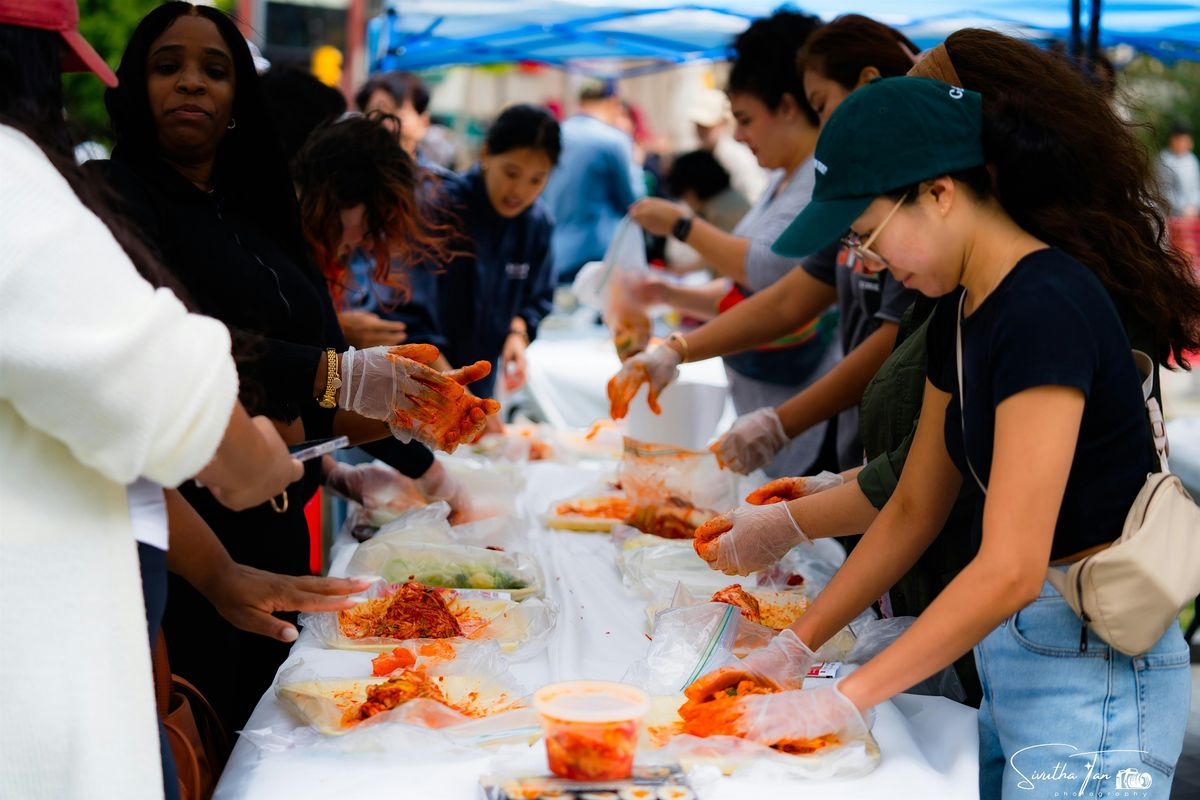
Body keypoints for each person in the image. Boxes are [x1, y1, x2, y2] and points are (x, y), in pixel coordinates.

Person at [689, 75, 1199, 799]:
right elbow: (912, 509)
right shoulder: (960, 312)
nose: (867, 262)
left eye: (866, 233)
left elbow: (1012, 566)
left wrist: (841, 698)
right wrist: (791, 649)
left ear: (938, 192)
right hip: (1011, 646)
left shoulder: (1043, 308)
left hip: (1093, 662)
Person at [95, 1, 495, 733]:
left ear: (240, 99)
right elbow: (192, 348)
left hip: (279, 539)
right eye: (167, 66)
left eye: (215, 70)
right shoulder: (116, 203)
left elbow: (307, 369)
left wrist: (409, 404)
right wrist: (343, 377)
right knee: (213, 734)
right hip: (192, 548)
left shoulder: (254, 211)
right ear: (131, 85)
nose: (191, 84)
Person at [0, 1, 306, 795]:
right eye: (166, 66)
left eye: (215, 70)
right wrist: (259, 455)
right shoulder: (14, 180)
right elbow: (174, 402)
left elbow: (94, 426)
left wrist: (220, 573)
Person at [617, 12, 921, 477]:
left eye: (820, 106)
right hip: (856, 446)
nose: (823, 129)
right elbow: (788, 299)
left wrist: (783, 422)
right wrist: (675, 348)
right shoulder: (841, 184)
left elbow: (887, 336)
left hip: (885, 446)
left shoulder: (904, 189)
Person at [396, 104, 559, 399]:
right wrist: (453, 389)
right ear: (486, 154)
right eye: (511, 173)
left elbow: (536, 299)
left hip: (478, 382)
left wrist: (517, 334)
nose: (519, 191)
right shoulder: (439, 208)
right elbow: (409, 313)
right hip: (416, 381)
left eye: (536, 180)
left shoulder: (536, 223)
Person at [541, 80, 644, 284]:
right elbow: (634, 202)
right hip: (597, 256)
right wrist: (638, 165)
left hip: (555, 252)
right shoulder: (614, 140)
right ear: (613, 102)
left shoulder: (554, 135)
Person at [687, 87, 768, 204]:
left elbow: (755, 196)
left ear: (722, 124)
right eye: (698, 125)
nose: (701, 131)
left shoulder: (735, 156)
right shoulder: (705, 155)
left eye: (707, 126)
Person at [355, 69, 432, 162]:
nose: (387, 125)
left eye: (398, 114)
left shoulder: (439, 177)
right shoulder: (345, 175)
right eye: (377, 114)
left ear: (424, 122)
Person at [1157, 121, 1200, 218]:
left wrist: (1194, 205)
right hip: (1173, 215)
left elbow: (1196, 186)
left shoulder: (1191, 160)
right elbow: (1163, 190)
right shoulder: (1164, 159)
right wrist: (1182, 209)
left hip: (1192, 213)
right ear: (1173, 139)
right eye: (1180, 139)